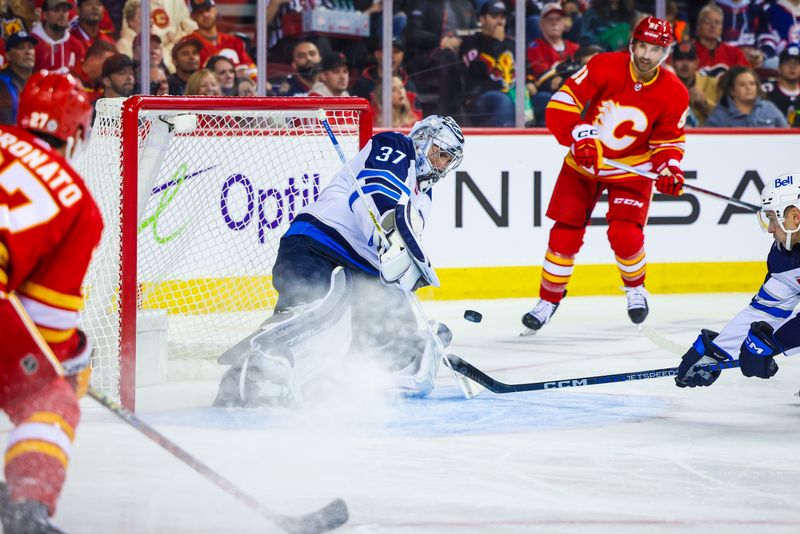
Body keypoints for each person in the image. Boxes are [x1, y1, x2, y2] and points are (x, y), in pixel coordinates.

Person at [214, 115, 465, 407]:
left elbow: (403, 249)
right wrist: (390, 233)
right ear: (423, 140)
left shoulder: (425, 197)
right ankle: (253, 369)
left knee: (394, 340)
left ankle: (396, 355)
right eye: (441, 153)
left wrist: (408, 282)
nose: (443, 164)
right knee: (314, 313)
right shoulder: (397, 146)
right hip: (318, 245)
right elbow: (378, 193)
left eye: (449, 159)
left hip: (364, 272)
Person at [522, 16, 689, 334]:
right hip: (585, 164)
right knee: (564, 234)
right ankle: (548, 300)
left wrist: (669, 168)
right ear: (632, 44)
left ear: (665, 53)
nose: (645, 55)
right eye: (641, 46)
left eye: (654, 49)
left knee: (625, 236)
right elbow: (562, 103)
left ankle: (636, 288)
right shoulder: (603, 65)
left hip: (633, 170)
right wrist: (578, 134)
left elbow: (668, 141)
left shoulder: (674, 92)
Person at [0, 70, 103, 534]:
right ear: (78, 132)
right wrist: (72, 358)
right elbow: (48, 326)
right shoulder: (78, 202)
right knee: (49, 396)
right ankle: (29, 509)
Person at [675, 173, 800, 389]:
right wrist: (717, 351)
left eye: (772, 218)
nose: (770, 228)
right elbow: (769, 309)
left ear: (794, 217)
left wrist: (775, 343)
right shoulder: (784, 255)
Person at [459, 0, 522, 127]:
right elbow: (477, 71)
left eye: (502, 17)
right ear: (482, 19)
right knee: (503, 100)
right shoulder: (471, 42)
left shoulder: (512, 44)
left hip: (512, 92)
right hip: (480, 97)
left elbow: (524, 70)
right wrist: (496, 42)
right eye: (494, 17)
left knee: (541, 99)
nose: (499, 22)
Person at [187, 0, 254, 77]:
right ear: (192, 16)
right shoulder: (189, 44)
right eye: (200, 12)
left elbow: (251, 68)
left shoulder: (234, 41)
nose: (205, 14)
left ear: (215, 10)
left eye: (208, 9)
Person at [705, 65, 788, 127]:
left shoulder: (769, 108)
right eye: (742, 85)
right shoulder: (719, 116)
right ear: (732, 90)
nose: (748, 88)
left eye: (752, 84)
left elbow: (787, 135)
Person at [671, 41, 720, 127]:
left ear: (697, 63)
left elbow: (725, 119)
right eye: (680, 58)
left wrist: (704, 104)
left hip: (705, 137)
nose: (685, 64)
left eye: (690, 59)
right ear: (672, 63)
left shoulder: (713, 84)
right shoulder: (664, 87)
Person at [694, 3, 749, 78]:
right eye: (707, 22)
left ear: (721, 27)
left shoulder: (735, 53)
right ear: (699, 26)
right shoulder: (689, 52)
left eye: (717, 22)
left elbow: (745, 78)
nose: (713, 26)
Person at [31, 0, 83, 72]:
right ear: (44, 15)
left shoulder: (76, 45)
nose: (62, 14)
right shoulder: (32, 43)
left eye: (65, 11)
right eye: (56, 10)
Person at [0, 31, 37, 125]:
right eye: (21, 48)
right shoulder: (2, 84)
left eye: (30, 47)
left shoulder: (41, 82)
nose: (28, 52)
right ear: (8, 56)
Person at [764, 43, 800, 127]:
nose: (792, 67)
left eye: (797, 64)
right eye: (787, 63)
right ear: (779, 68)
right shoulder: (767, 90)